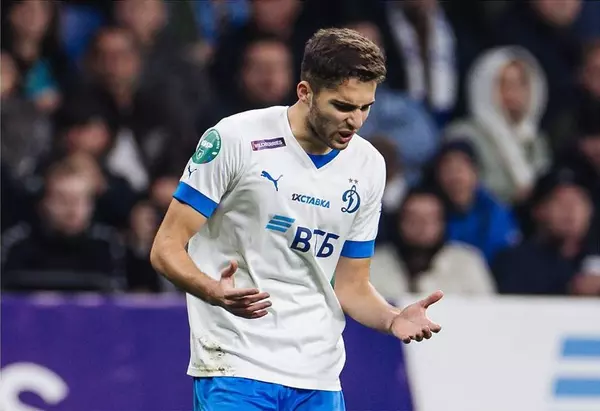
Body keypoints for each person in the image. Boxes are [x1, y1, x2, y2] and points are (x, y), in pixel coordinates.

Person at [150, 28, 443, 411]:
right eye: (343, 106)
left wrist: (392, 319)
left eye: (365, 107)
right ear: (305, 92)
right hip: (236, 365)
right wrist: (210, 290)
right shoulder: (236, 139)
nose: (356, 121)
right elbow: (165, 248)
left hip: (318, 376)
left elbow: (351, 286)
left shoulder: (369, 165)